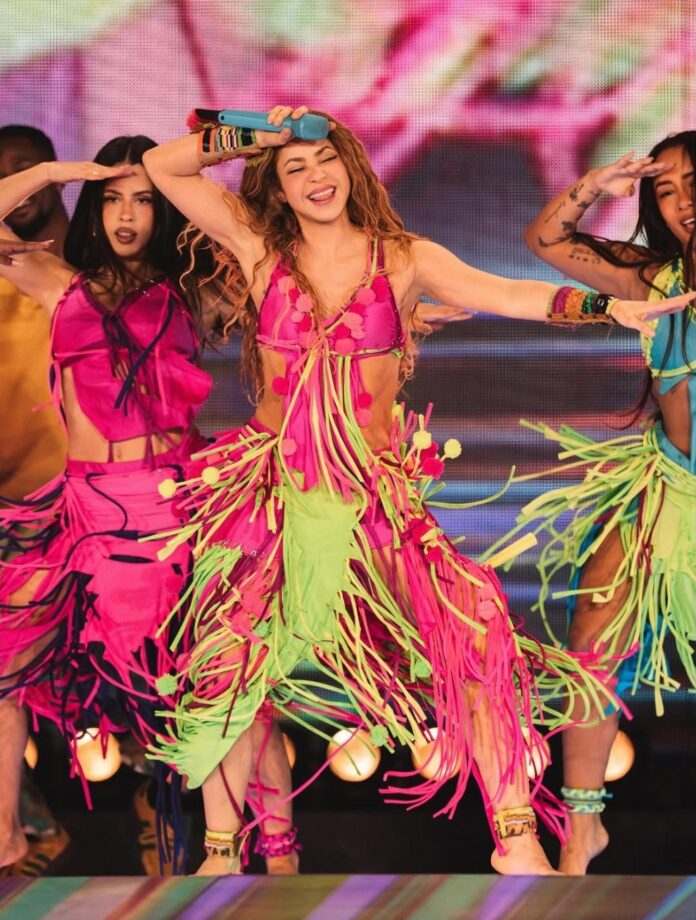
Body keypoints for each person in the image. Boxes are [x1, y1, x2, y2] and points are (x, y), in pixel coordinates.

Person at [141, 106, 693, 876]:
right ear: (278, 187)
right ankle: (222, 852)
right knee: (230, 662)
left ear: (352, 168)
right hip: (278, 498)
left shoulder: (403, 259)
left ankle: (516, 838)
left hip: (375, 499)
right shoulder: (260, 248)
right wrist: (261, 135)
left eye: (326, 161)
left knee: (476, 636)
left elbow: (512, 294)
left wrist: (607, 305)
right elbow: (164, 167)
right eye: (296, 169)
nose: (316, 178)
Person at [0, 135, 296, 875]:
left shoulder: (195, 293)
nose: (127, 215)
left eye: (144, 200)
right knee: (7, 663)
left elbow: (292, 293)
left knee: (231, 683)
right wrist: (53, 172)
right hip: (85, 519)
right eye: (112, 199)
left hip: (176, 512)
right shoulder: (57, 283)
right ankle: (6, 837)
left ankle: (276, 855)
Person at [492, 131, 696, 874]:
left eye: (694, 182)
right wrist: (592, 187)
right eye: (666, 190)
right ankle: (582, 827)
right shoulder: (653, 278)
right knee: (595, 629)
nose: (683, 201)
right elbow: (546, 240)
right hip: (669, 482)